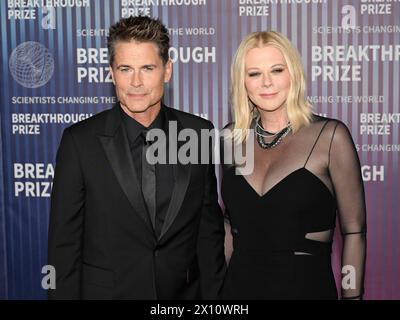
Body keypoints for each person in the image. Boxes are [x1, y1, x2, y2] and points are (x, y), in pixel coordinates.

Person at [48, 15, 226, 299]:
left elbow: (209, 234)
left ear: (167, 70)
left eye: (147, 68)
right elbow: (63, 247)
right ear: (111, 72)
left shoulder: (198, 132)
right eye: (125, 68)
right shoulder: (80, 142)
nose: (136, 82)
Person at [220, 31, 366, 300]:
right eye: (254, 73)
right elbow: (231, 226)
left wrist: (352, 296)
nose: (266, 82)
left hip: (306, 289)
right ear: (242, 82)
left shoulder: (330, 137)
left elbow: (354, 230)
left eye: (276, 70)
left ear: (293, 74)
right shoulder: (230, 139)